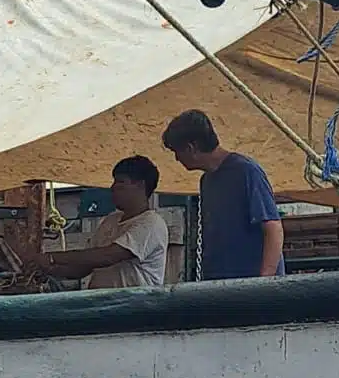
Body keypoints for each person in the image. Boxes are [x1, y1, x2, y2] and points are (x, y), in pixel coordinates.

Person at [161, 109, 285, 280]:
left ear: (192, 148)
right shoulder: (206, 181)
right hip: (221, 285)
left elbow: (273, 228)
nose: (176, 159)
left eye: (177, 152)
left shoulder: (246, 171)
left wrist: (265, 281)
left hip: (251, 286)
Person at [26, 156, 169, 288]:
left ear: (140, 185)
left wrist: (52, 257)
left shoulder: (151, 223)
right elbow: (83, 268)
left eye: (120, 182)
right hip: (103, 307)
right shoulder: (110, 220)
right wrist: (50, 269)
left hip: (134, 310)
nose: (113, 187)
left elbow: (109, 256)